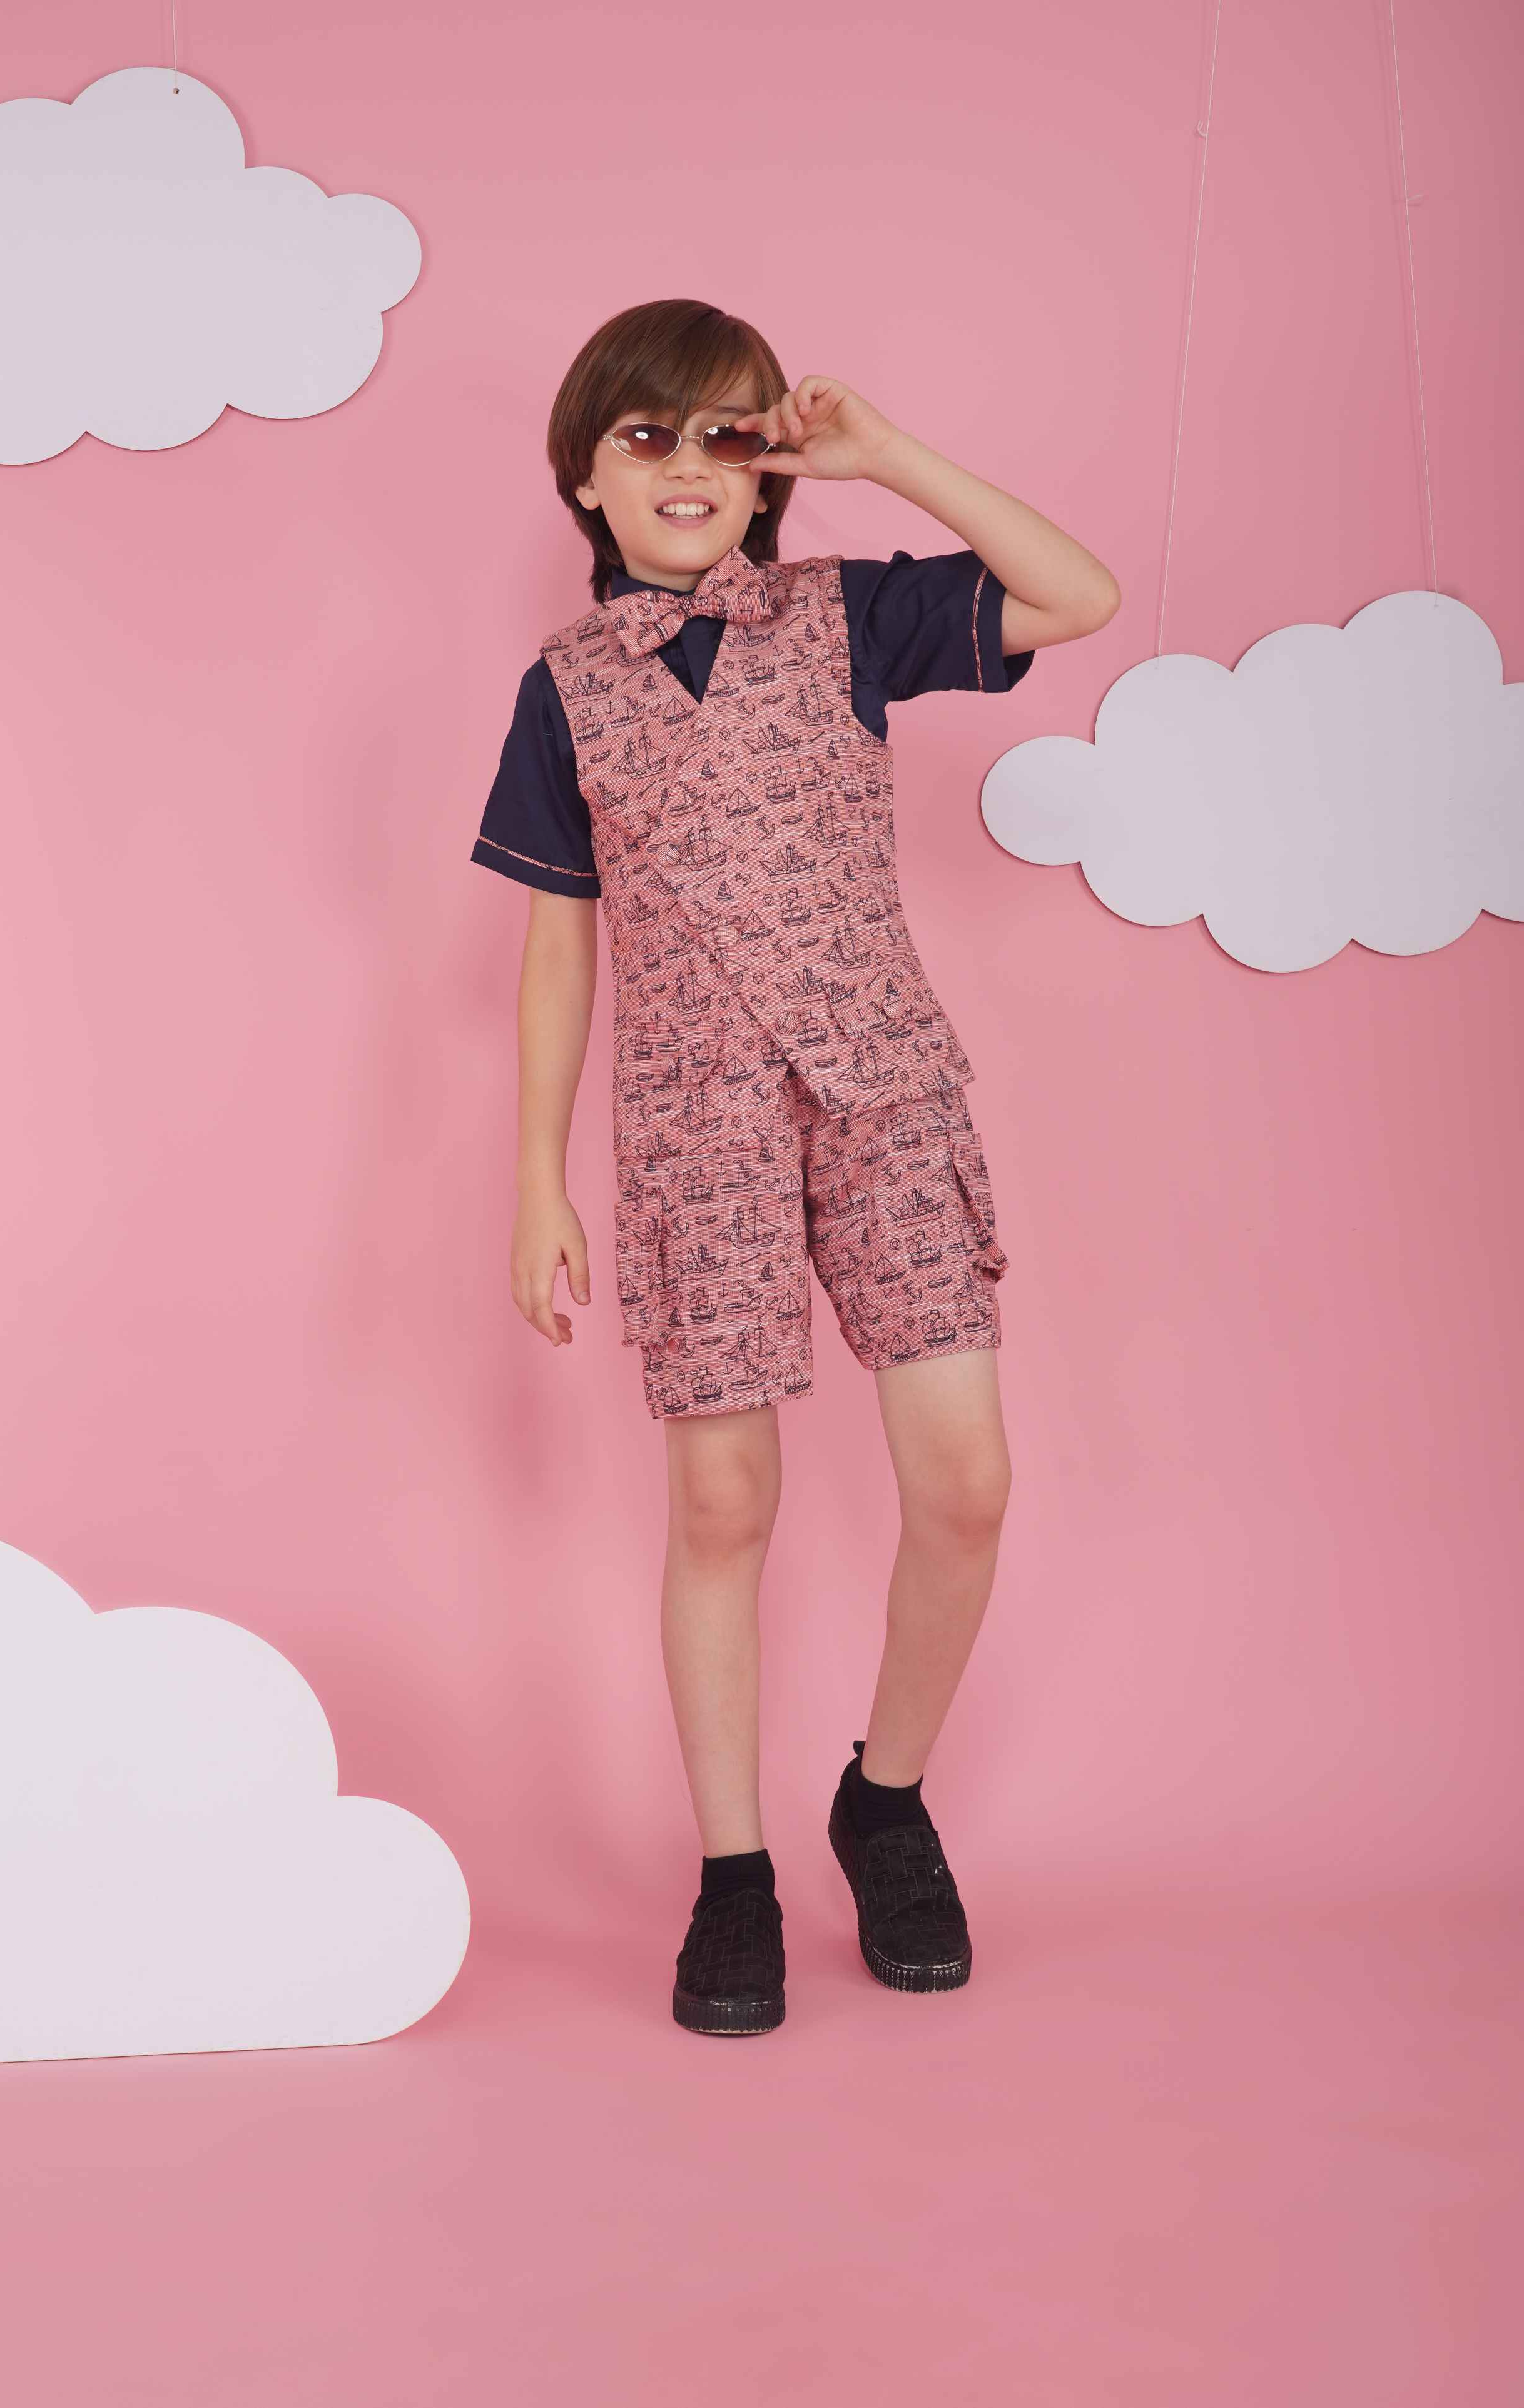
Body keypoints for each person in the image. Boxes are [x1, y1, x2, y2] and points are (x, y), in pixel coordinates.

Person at [472, 298, 1119, 2036]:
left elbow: (1077, 596)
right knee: (723, 1503)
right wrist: (536, 1177)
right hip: (695, 1125)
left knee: (965, 1481)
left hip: (886, 1091)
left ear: (770, 467)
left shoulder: (848, 618)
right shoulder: (564, 691)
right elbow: (558, 948)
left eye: (727, 435)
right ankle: (734, 1872)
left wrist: (881, 455)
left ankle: (884, 1801)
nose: (688, 467)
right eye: (647, 437)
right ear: (586, 477)